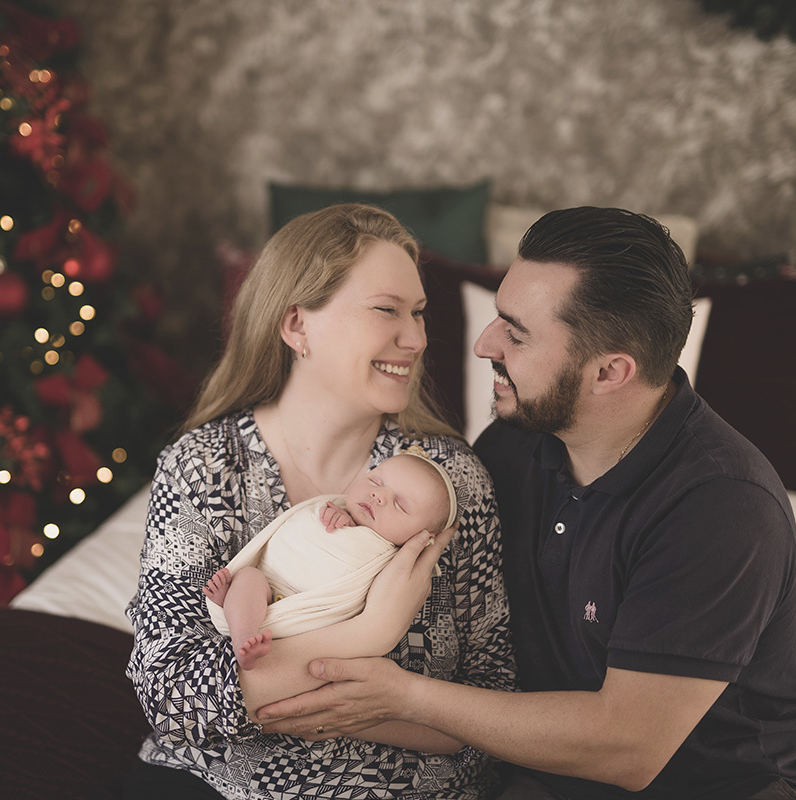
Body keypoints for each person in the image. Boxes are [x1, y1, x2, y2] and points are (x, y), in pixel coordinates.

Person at [255, 207, 796, 800]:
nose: (484, 344)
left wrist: (405, 698)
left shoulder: (722, 507)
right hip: (553, 775)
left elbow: (628, 747)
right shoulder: (512, 446)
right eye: (497, 316)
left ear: (609, 372)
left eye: (516, 334)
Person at [124, 203, 514, 799]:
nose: (416, 338)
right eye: (387, 309)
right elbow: (172, 697)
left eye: (418, 312)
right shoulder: (202, 467)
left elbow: (492, 705)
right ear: (296, 325)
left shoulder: (450, 482)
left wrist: (336, 710)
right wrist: (370, 635)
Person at [204, 448, 460, 669]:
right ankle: (243, 636)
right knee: (248, 577)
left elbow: (381, 601)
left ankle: (239, 614)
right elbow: (304, 532)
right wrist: (333, 519)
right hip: (269, 586)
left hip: (316, 623)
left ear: (423, 537)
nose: (378, 495)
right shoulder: (335, 509)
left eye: (400, 505)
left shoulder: (398, 564)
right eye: (375, 481)